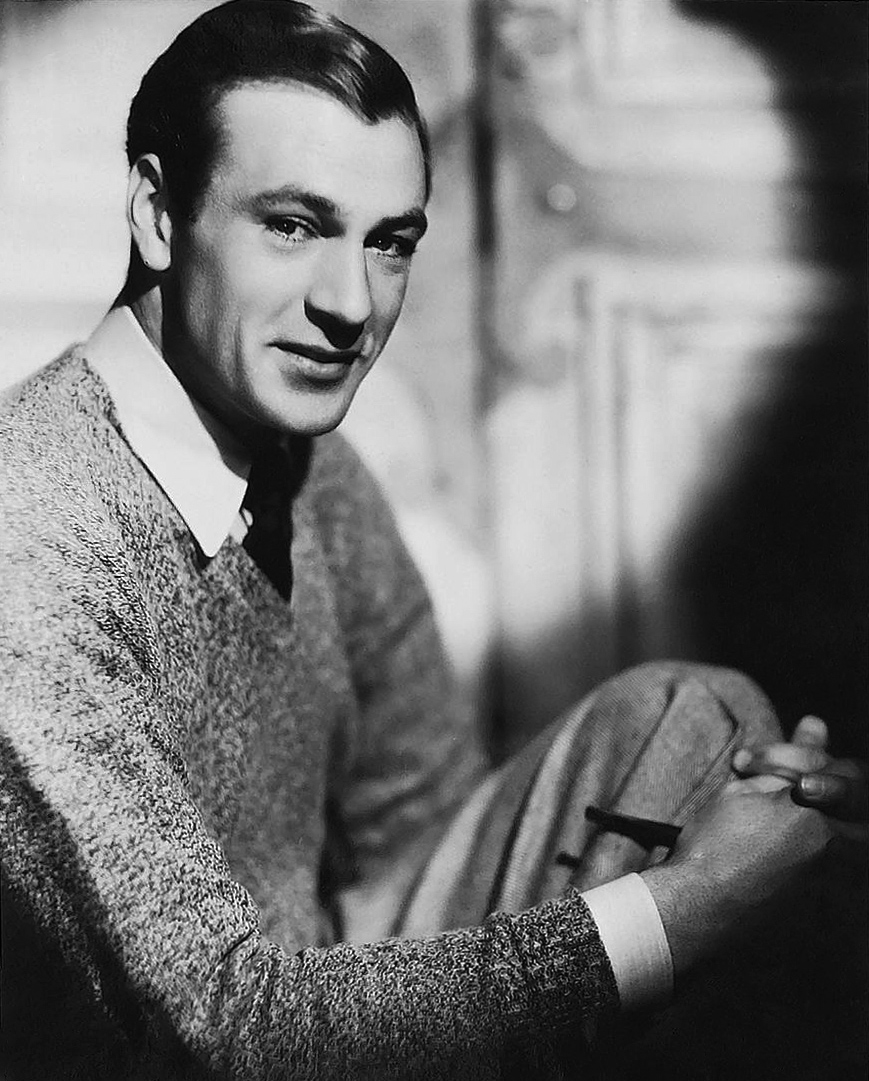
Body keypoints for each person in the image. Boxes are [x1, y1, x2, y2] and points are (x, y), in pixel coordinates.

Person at [0, 2, 864, 1079]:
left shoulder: (306, 463)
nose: (349, 304)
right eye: (293, 225)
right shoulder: (29, 543)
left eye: (389, 242)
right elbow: (217, 1032)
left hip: (320, 995)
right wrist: (689, 905)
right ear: (157, 214)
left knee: (693, 725)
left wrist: (757, 837)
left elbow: (423, 821)